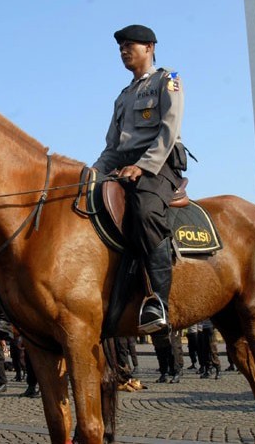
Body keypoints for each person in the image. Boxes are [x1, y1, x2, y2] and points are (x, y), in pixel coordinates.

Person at [92, 24, 186, 334]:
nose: (123, 51)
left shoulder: (167, 80)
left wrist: (143, 166)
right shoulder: (122, 97)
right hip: (124, 168)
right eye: (120, 47)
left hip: (159, 166)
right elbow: (112, 147)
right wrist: (91, 176)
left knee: (145, 210)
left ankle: (159, 301)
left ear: (150, 48)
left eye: (130, 45)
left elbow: (169, 129)